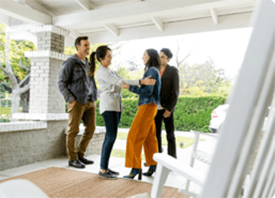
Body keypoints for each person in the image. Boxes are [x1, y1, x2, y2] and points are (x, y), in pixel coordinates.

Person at [94, 45, 156, 180]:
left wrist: (121, 105)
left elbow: (122, 80)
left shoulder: (110, 70)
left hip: (115, 107)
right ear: (101, 58)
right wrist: (141, 81)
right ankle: (103, 169)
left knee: (112, 137)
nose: (111, 58)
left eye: (111, 55)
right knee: (110, 137)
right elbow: (121, 82)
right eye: (108, 56)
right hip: (109, 107)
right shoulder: (102, 72)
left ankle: (106, 167)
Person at [121, 49, 161, 180]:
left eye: (144, 55)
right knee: (149, 137)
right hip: (151, 106)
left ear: (150, 57)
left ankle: (135, 167)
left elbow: (147, 92)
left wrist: (130, 88)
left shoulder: (151, 71)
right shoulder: (154, 71)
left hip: (147, 106)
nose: (142, 57)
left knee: (134, 135)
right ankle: (153, 164)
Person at [58, 36, 97, 169]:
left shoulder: (88, 63)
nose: (88, 48)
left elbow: (91, 82)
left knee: (91, 129)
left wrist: (94, 96)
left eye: (88, 45)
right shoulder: (70, 62)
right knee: (73, 131)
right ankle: (72, 158)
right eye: (85, 45)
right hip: (77, 102)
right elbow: (61, 83)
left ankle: (80, 154)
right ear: (78, 47)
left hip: (90, 102)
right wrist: (71, 99)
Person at [155, 48, 179, 158]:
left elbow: (175, 92)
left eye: (162, 57)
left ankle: (172, 158)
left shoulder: (173, 71)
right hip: (155, 108)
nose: (160, 59)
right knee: (156, 135)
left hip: (167, 108)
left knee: (170, 135)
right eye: (159, 56)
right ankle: (158, 158)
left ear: (168, 59)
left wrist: (169, 108)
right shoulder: (155, 70)